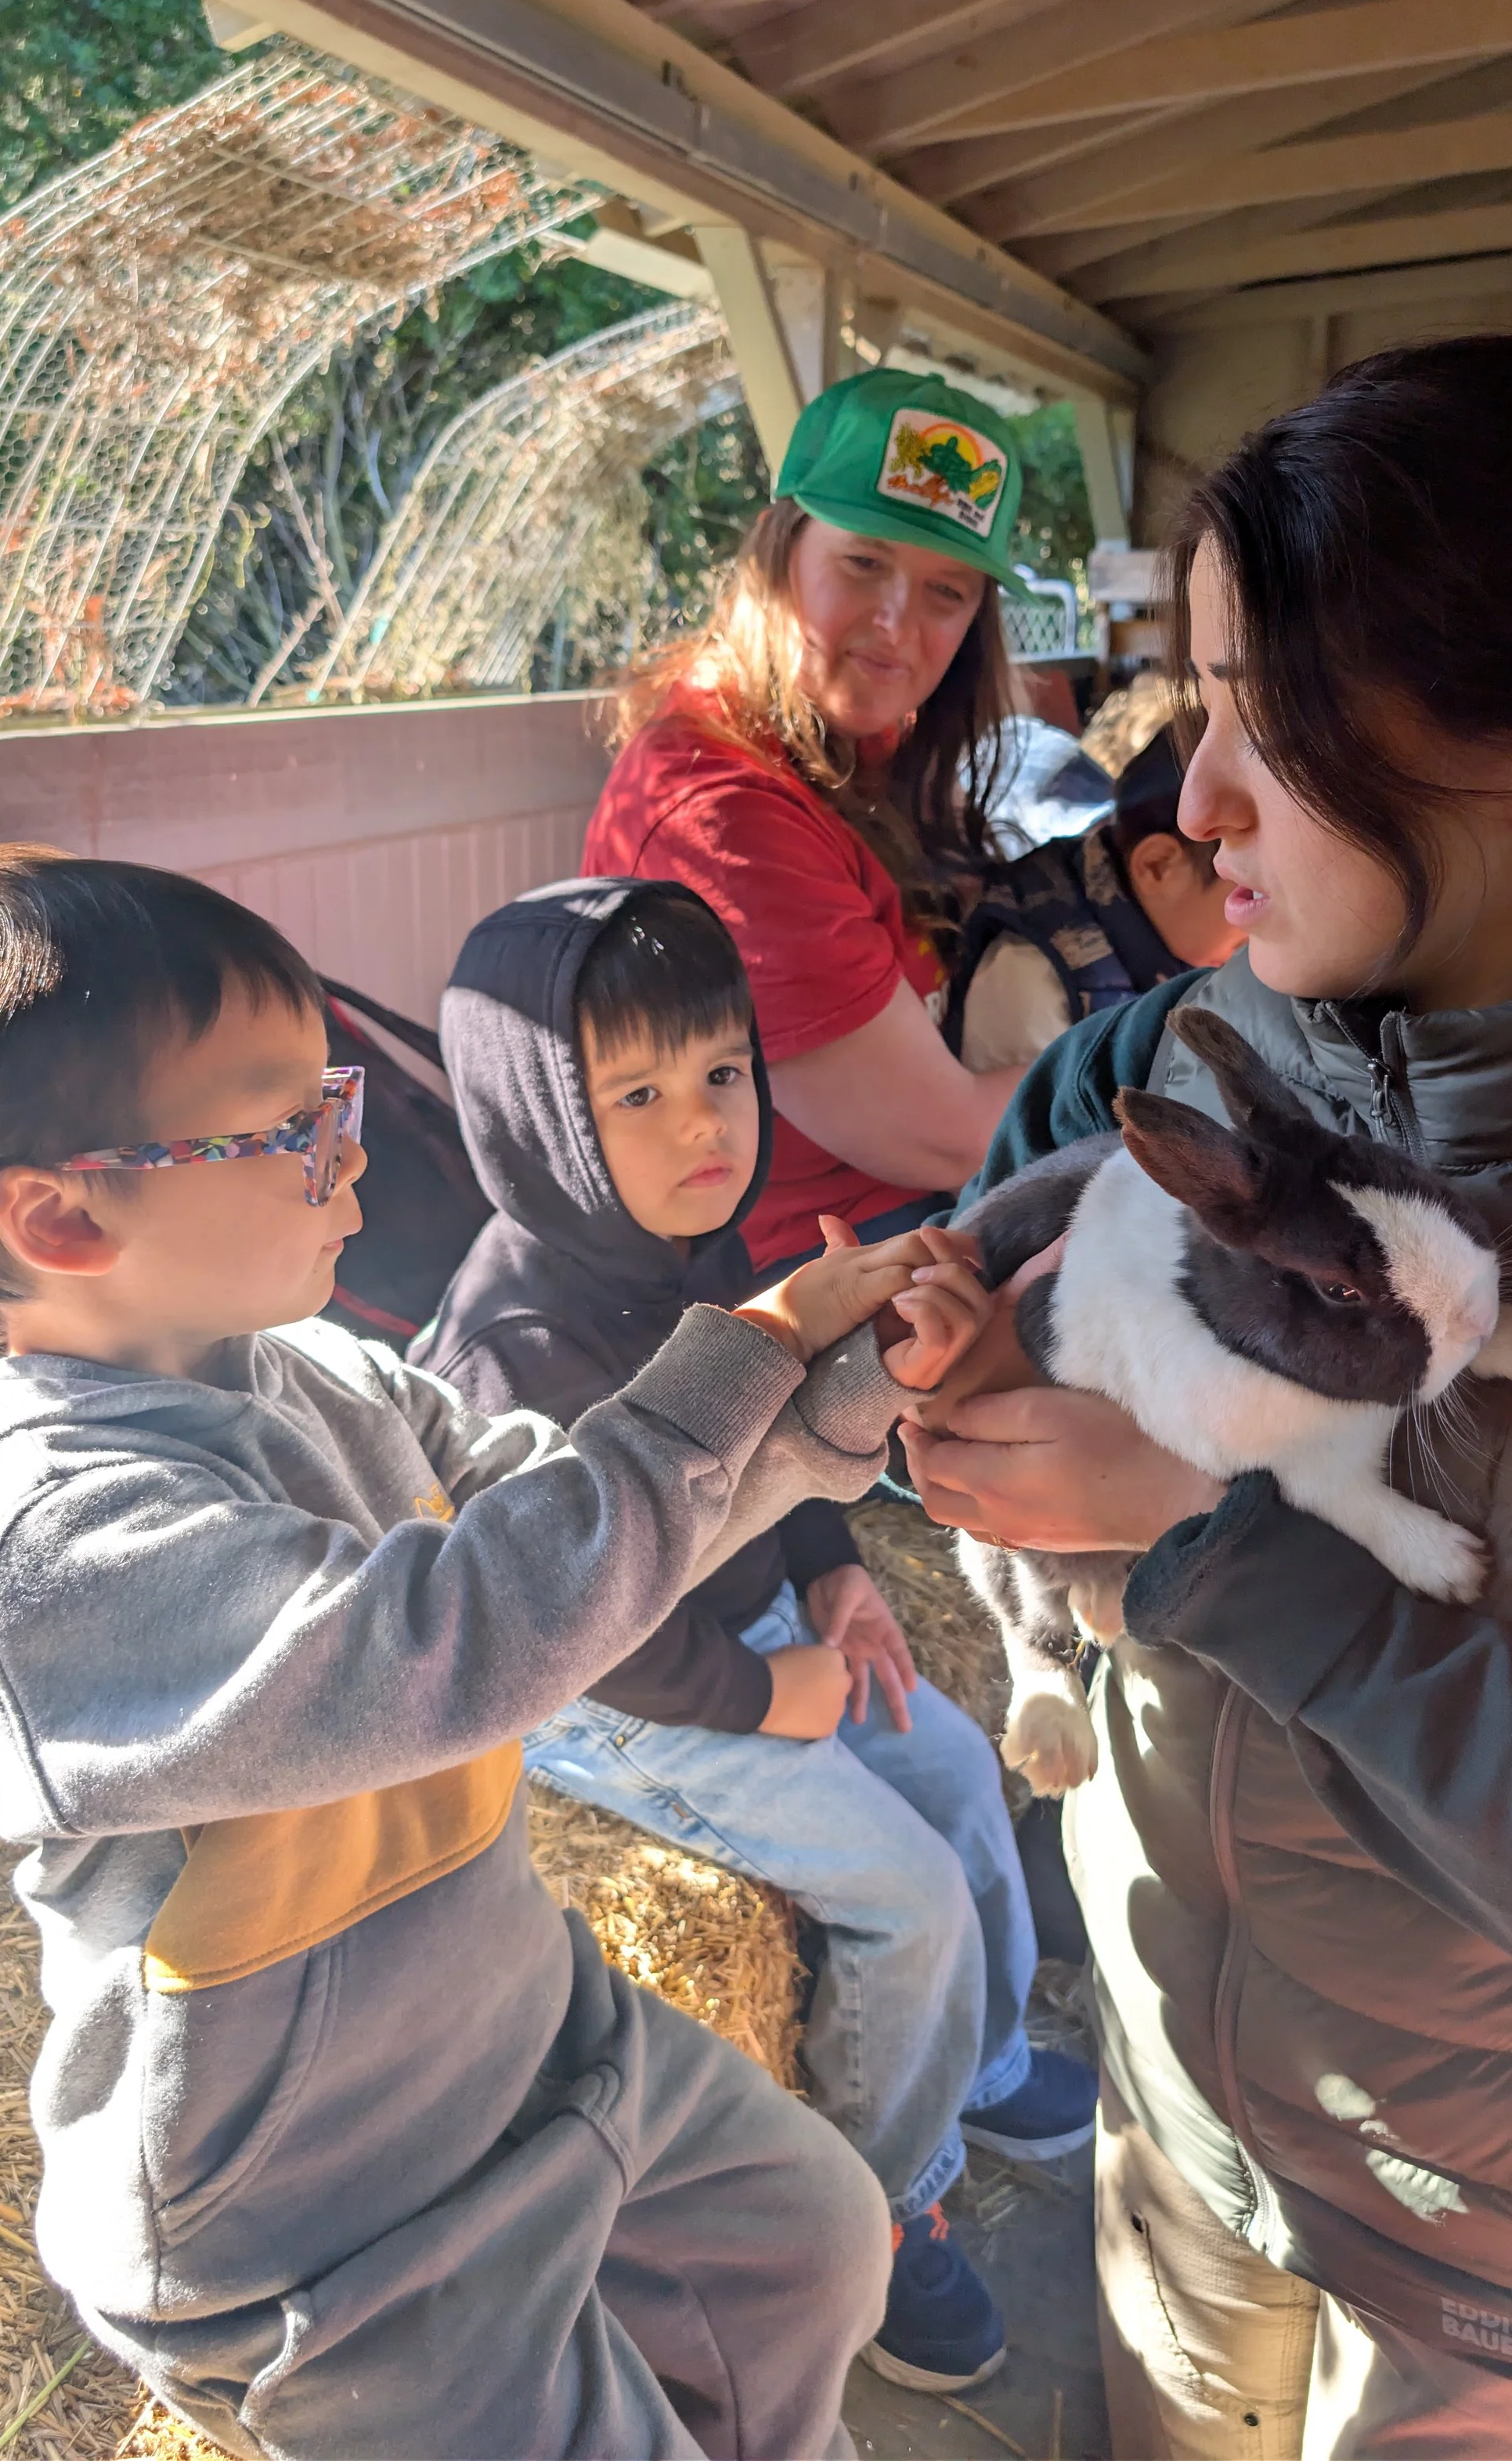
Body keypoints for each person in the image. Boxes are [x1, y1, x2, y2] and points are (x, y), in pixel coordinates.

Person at [903, 339, 1512, 2460]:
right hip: (1196, 2103)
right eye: (1193, 698)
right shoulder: (1188, 1054)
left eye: (1273, 722)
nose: (1188, 800)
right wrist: (939, 1331)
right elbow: (1010, 1252)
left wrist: (1192, 1528)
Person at [0, 844, 995, 2461]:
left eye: (330, 1095)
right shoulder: (40, 1532)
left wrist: (837, 1395)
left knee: (815, 2243)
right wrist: (741, 1357)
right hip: (316, 2219)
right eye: (287, 1126)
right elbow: (453, 1643)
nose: (351, 1150)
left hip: (526, 2035)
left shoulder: (319, 1369)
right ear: (62, 1213)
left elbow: (592, 1535)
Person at [410, 873, 1095, 2393]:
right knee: (902, 1893)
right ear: (535, 1114)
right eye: (638, 1091)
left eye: (721, 1073)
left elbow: (777, 1428)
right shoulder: (510, 1342)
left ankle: (977, 2064)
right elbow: (565, 1618)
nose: (702, 1125)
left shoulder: (685, 1241)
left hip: (747, 1619)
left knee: (963, 1775)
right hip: (623, 1686)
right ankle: (892, 2200)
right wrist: (753, 1689)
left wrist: (840, 1574)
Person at [581, 366, 1037, 1272]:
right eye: (864, 563)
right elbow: (941, 1137)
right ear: (776, 548)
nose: (897, 625)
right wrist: (1161, 1050)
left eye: (946, 591)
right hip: (811, 1279)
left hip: (926, 1225)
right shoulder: (718, 813)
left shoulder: (847, 758)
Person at [949, 728, 1243, 1071]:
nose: (1271, 926)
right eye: (1252, 894)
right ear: (1158, 867)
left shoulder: (1179, 942)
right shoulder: (1033, 987)